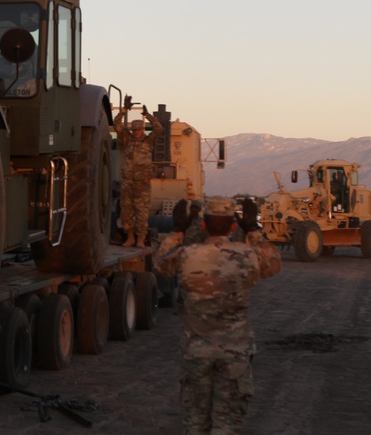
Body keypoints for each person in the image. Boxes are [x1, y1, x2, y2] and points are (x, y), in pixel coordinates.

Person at [156, 197, 282, 434]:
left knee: (195, 421)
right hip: (235, 353)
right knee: (226, 423)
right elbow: (274, 263)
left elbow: (161, 262)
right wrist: (253, 230)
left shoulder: (188, 255)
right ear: (234, 226)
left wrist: (178, 230)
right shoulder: (247, 256)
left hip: (197, 352)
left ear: (203, 225)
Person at [114, 103, 163, 247]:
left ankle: (141, 238)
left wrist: (148, 116)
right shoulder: (127, 139)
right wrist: (123, 111)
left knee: (141, 211)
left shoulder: (149, 141)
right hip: (128, 181)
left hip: (142, 182)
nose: (136, 132)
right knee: (127, 210)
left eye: (139, 130)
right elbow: (117, 124)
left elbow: (159, 129)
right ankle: (130, 237)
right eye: (134, 130)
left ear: (143, 129)